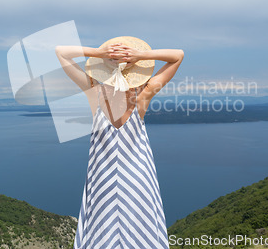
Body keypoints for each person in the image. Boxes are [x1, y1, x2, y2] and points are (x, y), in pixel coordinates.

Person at [55, 36, 184, 249]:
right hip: (138, 177)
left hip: (102, 177)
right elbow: (177, 56)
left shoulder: (94, 93)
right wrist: (140, 55)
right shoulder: (142, 96)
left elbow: (61, 51)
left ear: (104, 69)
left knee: (101, 230)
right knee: (142, 229)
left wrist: (100, 53)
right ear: (136, 71)